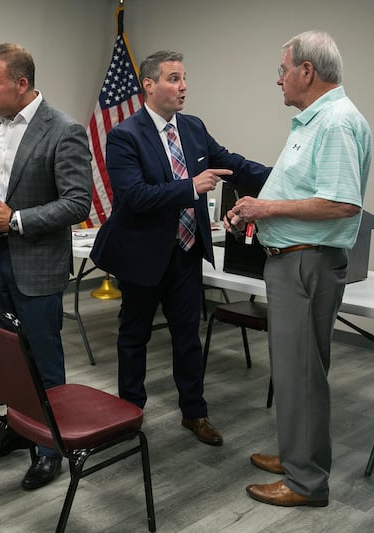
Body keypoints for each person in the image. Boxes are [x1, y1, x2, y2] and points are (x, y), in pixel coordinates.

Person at [90, 51, 270, 447]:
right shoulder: (124, 135)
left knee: (188, 336)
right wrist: (190, 187)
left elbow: (231, 165)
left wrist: (283, 177)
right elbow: (133, 196)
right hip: (141, 255)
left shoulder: (192, 128)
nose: (183, 86)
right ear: (149, 85)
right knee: (134, 336)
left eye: (184, 78)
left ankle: (195, 413)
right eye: (174, 78)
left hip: (185, 253)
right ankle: (130, 414)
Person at [230, 31, 371, 507]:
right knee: (296, 374)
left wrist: (264, 212)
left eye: (283, 69)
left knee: (303, 376)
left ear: (307, 71)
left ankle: (306, 482)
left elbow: (341, 204)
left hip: (305, 264)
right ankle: (296, 456)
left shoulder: (333, 123)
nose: (279, 80)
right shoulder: (315, 122)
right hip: (293, 262)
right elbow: (302, 190)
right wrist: (254, 208)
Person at [0, 43, 92, 490]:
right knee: (6, 355)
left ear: (21, 84)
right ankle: (19, 430)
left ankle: (50, 448)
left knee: (43, 357)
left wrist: (15, 219)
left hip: (37, 264)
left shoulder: (64, 130)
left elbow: (79, 202)